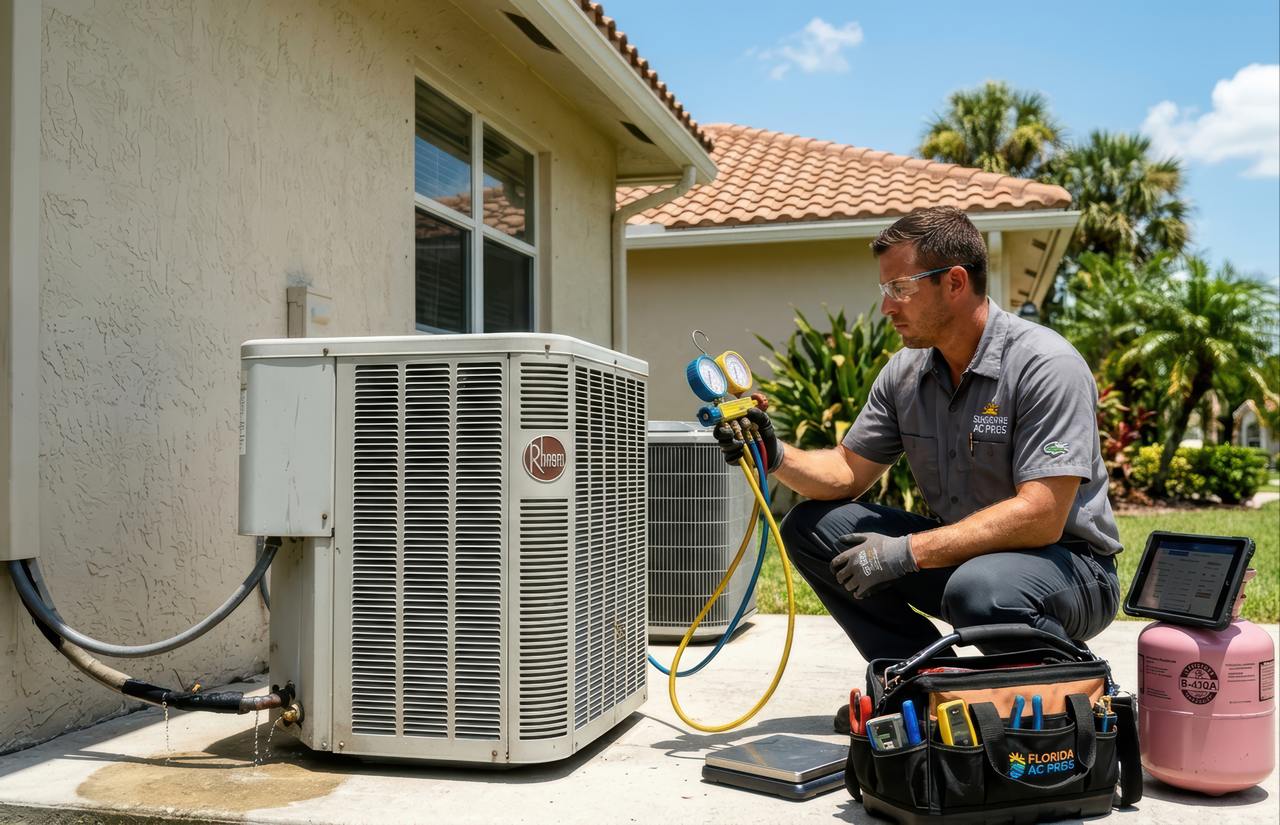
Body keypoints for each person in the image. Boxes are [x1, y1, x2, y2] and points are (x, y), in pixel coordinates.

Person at [715, 206, 1121, 732]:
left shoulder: (1045, 364)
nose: (886, 306)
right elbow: (846, 470)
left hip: (1070, 567)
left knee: (980, 590)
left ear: (954, 282)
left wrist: (905, 553)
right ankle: (925, 683)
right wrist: (776, 455)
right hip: (968, 556)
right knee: (814, 528)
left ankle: (1073, 685)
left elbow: (1042, 514)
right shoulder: (906, 374)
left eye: (901, 288)